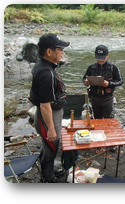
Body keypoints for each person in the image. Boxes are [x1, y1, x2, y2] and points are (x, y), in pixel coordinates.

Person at [29, 33, 71, 183]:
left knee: (48, 146)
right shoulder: (46, 73)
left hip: (48, 115)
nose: (62, 52)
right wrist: (51, 128)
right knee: (51, 148)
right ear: (49, 51)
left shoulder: (43, 65)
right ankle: (48, 178)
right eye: (60, 49)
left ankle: (48, 170)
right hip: (47, 117)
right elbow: (45, 105)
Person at [82, 45, 123, 119]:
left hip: (107, 98)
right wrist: (86, 82)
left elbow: (120, 81)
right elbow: (84, 78)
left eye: (102, 58)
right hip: (94, 98)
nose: (100, 60)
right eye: (98, 58)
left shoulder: (113, 67)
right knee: (97, 119)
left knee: (108, 120)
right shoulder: (91, 67)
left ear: (107, 55)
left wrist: (109, 83)